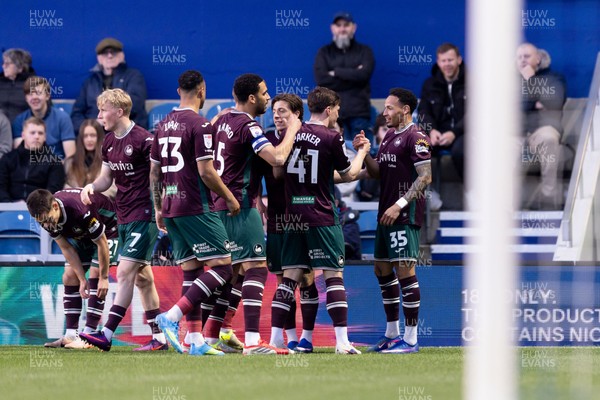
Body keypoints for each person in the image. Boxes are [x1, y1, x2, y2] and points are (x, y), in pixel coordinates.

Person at [269, 86, 370, 355]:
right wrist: (361, 152)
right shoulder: (331, 137)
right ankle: (341, 342)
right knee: (333, 276)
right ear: (329, 109)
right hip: (322, 215)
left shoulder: (287, 134)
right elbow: (348, 175)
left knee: (289, 278)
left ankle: (276, 340)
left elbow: (280, 173)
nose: (339, 113)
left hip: (292, 217)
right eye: (337, 108)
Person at [149, 70, 240, 356]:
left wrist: (157, 207)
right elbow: (206, 171)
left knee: (192, 269)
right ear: (202, 91)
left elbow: (154, 172)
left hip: (171, 206)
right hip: (196, 206)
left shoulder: (162, 125)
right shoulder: (200, 125)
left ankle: (195, 340)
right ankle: (172, 316)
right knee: (224, 266)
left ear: (179, 92)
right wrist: (229, 197)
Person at [211, 73, 301, 355]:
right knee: (257, 269)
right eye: (264, 94)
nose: (267, 97)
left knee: (234, 273)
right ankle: (252, 341)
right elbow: (276, 158)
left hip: (218, 206)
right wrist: (294, 130)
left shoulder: (221, 120)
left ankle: (219, 334)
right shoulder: (248, 126)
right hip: (240, 205)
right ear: (251, 98)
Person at [79, 89, 164, 352]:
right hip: (123, 215)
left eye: (103, 110)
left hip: (144, 214)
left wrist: (161, 208)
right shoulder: (108, 142)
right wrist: (91, 186)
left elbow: (158, 175)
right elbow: (107, 179)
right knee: (143, 280)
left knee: (125, 272)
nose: (99, 115)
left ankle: (105, 334)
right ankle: (159, 338)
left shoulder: (143, 140)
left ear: (118, 111)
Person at [353, 88, 432, 354]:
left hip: (403, 215)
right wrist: (365, 152)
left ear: (405, 110)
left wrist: (399, 206)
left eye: (389, 107)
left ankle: (410, 340)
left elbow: (425, 178)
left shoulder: (416, 136)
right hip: (385, 216)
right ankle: (391, 335)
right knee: (382, 271)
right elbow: (378, 173)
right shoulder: (388, 136)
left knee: (405, 271)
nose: (384, 112)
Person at [258, 93, 320, 353]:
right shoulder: (267, 140)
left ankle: (307, 337)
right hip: (276, 218)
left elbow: (280, 170)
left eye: (283, 111)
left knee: (304, 278)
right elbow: (265, 172)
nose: (277, 115)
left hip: (301, 218)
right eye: (274, 111)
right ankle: (289, 337)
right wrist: (257, 201)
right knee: (283, 277)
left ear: (297, 114)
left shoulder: (306, 139)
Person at [26, 188, 119, 349]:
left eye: (47, 220)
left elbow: (101, 242)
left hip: (109, 229)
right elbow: (66, 248)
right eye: (41, 222)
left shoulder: (80, 209)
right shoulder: (45, 217)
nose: (47, 225)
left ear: (55, 206)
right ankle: (70, 335)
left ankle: (88, 336)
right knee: (69, 276)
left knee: (96, 273)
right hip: (82, 235)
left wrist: (104, 278)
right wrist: (82, 279)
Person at [517, 43, 566, 210]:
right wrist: (537, 100)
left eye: (527, 56)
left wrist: (531, 81)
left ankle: (548, 197)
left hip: (544, 128)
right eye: (519, 57)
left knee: (549, 139)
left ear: (538, 59)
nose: (523, 60)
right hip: (517, 132)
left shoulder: (554, 78)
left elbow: (554, 102)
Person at [313, 11, 375, 142]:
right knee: (333, 158)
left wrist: (335, 72)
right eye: (339, 25)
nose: (342, 29)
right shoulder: (324, 53)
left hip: (359, 115)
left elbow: (364, 75)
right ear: (333, 28)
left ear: (353, 27)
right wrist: (353, 74)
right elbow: (322, 80)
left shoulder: (365, 51)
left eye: (346, 25)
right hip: (331, 115)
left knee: (362, 156)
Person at [71, 38, 148, 133]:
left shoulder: (134, 76)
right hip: (96, 136)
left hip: (125, 133)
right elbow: (76, 114)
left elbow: (134, 105)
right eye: (105, 53)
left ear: (122, 55)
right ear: (99, 58)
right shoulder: (90, 82)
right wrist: (91, 126)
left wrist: (106, 120)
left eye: (114, 52)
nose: (110, 56)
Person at [418, 43, 466, 181]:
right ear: (438, 62)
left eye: (450, 60)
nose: (447, 64)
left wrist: (454, 132)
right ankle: (422, 196)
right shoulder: (429, 84)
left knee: (461, 152)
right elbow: (423, 112)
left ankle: (473, 194)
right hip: (437, 134)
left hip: (463, 133)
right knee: (415, 150)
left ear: (459, 60)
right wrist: (432, 131)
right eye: (443, 61)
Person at [0, 116, 64, 202]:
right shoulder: (8, 159)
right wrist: (11, 205)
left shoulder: (54, 162)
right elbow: (1, 187)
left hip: (41, 210)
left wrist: (34, 206)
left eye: (40, 133)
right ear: (23, 135)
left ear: (45, 137)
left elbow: (53, 191)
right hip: (8, 208)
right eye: (32, 133)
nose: (36, 136)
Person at [12, 76, 75, 159]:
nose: (34, 97)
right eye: (30, 94)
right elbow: (20, 157)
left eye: (38, 93)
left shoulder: (63, 118)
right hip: (28, 168)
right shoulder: (19, 121)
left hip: (57, 167)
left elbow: (70, 158)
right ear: (26, 98)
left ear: (47, 96)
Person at [64, 119, 116, 198]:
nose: (89, 140)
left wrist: (92, 196)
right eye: (85, 136)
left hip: (100, 205)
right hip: (75, 204)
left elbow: (113, 187)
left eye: (93, 135)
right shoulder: (70, 162)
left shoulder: (108, 160)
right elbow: (65, 186)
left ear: (99, 138)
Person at [0, 48, 34, 122]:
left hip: (24, 128)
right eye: (3, 63)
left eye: (7, 63)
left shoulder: (35, 84)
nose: (3, 66)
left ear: (20, 67)